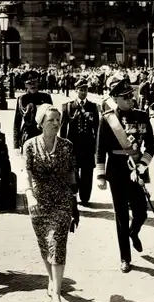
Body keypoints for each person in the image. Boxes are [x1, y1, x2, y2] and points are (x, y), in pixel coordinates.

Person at [96, 79, 154, 273]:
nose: (132, 99)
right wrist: (101, 175)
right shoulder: (107, 119)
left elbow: (151, 144)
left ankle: (134, 232)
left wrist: (141, 166)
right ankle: (125, 258)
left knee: (141, 211)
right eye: (127, 97)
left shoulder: (142, 116)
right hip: (116, 171)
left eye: (132, 95)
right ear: (115, 99)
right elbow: (100, 149)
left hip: (136, 170)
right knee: (121, 215)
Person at [23, 103, 79, 302]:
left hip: (62, 200)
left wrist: (74, 201)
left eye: (58, 120)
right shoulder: (29, 145)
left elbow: (72, 174)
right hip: (38, 201)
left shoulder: (67, 146)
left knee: (57, 242)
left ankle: (56, 293)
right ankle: (52, 279)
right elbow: (27, 172)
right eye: (51, 120)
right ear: (41, 124)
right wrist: (30, 196)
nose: (56, 123)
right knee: (44, 244)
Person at [60, 78, 100, 206]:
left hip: (88, 145)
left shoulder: (93, 106)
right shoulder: (67, 106)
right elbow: (63, 127)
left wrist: (97, 146)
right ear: (76, 91)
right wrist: (62, 145)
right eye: (81, 90)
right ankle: (74, 194)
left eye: (85, 90)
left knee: (88, 172)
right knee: (73, 171)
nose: (83, 92)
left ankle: (85, 198)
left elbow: (97, 127)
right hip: (73, 145)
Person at [13, 70, 53, 154]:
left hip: (43, 134)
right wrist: (16, 145)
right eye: (30, 83)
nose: (33, 85)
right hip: (27, 135)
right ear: (25, 85)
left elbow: (52, 118)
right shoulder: (21, 99)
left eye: (35, 82)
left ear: (38, 83)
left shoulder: (46, 97)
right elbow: (17, 122)